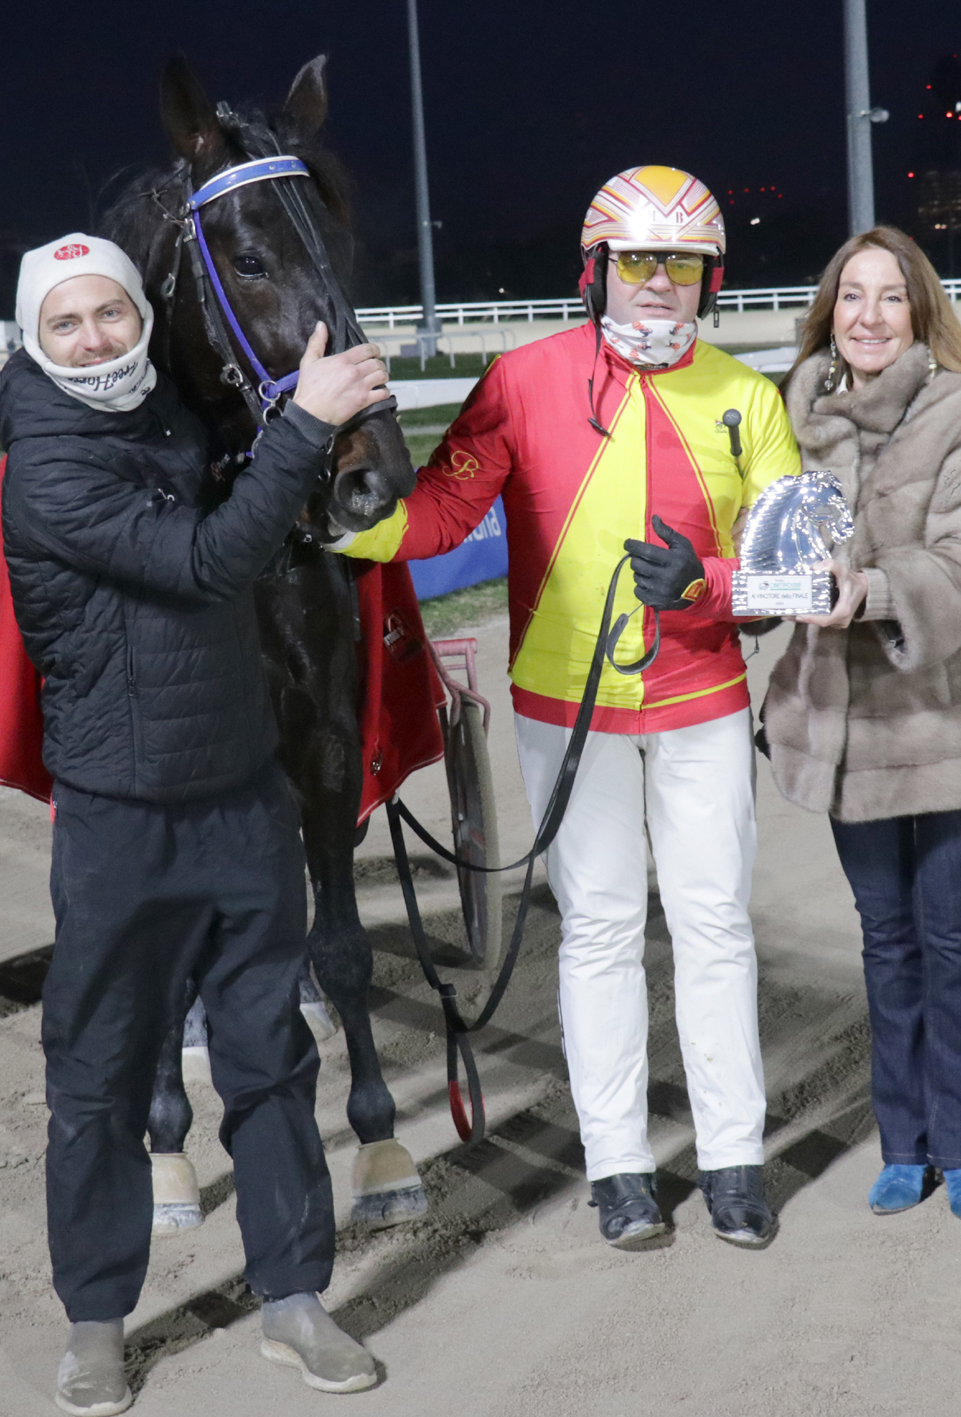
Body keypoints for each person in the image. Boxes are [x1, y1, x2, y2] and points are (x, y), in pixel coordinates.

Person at [331, 168, 800, 1250]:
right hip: (564, 707)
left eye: (679, 266)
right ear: (593, 271)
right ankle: (619, 1167)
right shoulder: (519, 378)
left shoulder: (747, 397)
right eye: (635, 262)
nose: (656, 286)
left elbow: (796, 576)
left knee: (713, 925)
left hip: (701, 702)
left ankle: (733, 1158)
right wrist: (329, 529)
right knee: (594, 929)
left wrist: (708, 587)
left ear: (707, 282)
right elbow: (440, 514)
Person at [0, 233, 392, 1413]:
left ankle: (293, 1300)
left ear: (136, 314)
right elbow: (211, 561)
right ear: (33, 339)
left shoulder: (170, 412)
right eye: (64, 324)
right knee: (101, 1076)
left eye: (109, 313)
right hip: (120, 825)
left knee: (271, 1056)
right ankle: (97, 1320)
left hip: (241, 801)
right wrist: (305, 426)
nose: (93, 339)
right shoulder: (49, 471)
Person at [759, 226, 961, 1226]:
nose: (867, 317)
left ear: (917, 312)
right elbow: (768, 549)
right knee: (884, 940)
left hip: (948, 718)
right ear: (827, 310)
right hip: (848, 726)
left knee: (947, 937)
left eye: (888, 298)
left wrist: (867, 589)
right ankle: (900, 1142)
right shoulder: (794, 413)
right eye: (850, 297)